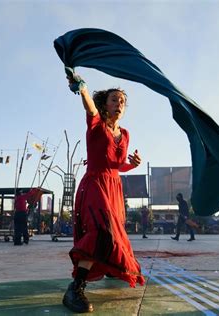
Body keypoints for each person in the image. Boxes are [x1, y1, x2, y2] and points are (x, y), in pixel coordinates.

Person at [62, 70, 145, 313]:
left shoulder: (126, 134)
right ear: (105, 105)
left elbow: (117, 165)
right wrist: (83, 88)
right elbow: (89, 108)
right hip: (96, 185)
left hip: (114, 187)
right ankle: (75, 287)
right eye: (114, 100)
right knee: (101, 231)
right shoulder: (97, 124)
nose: (119, 104)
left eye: (122, 101)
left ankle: (109, 267)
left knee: (115, 233)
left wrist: (134, 164)